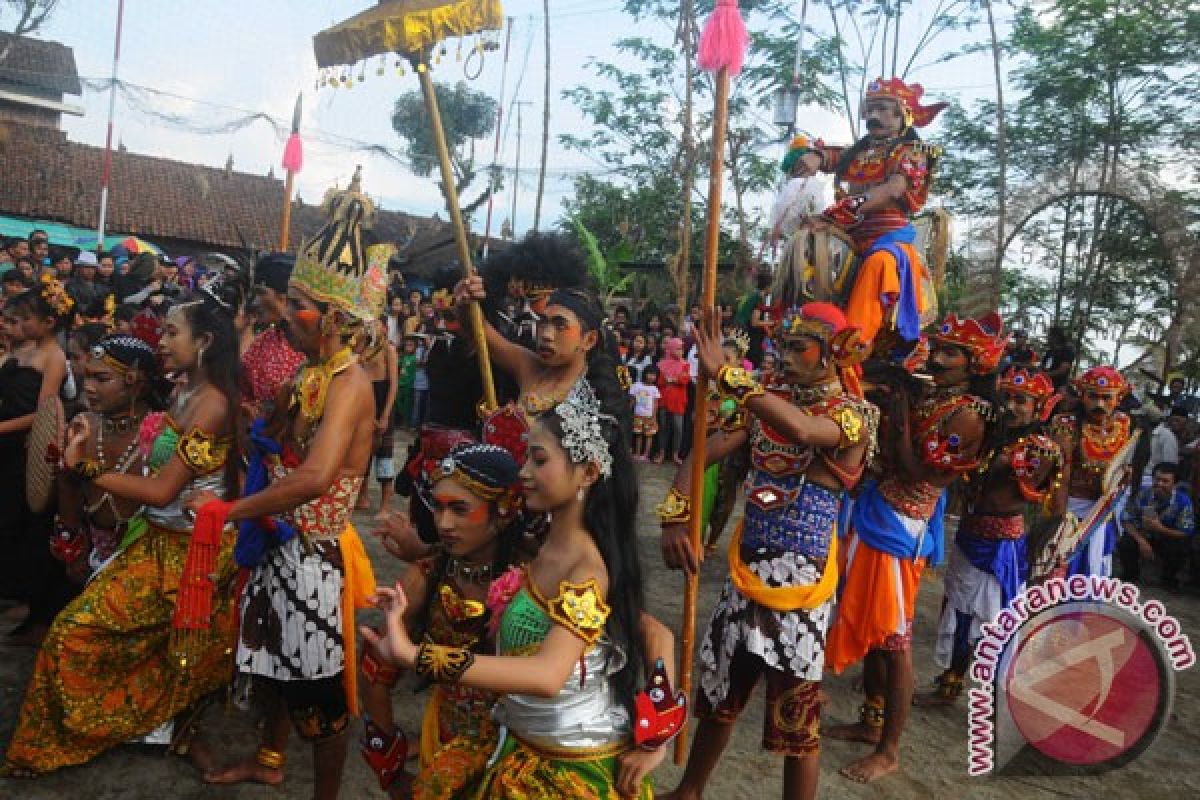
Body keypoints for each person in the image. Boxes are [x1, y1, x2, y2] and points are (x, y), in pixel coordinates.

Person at [364, 378, 667, 799]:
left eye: (538, 460)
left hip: (568, 773)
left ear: (589, 472)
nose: (523, 472)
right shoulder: (541, 550)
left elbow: (547, 675)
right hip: (517, 749)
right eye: (525, 457)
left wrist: (657, 737)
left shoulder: (585, 570)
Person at [4, 285, 242, 776]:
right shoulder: (186, 390)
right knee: (96, 635)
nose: (161, 339)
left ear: (205, 342)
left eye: (173, 332)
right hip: (155, 540)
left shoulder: (211, 403)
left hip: (186, 552)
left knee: (78, 633)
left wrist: (83, 468)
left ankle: (118, 731)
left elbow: (159, 492)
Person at [194, 173, 380, 800]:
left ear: (329, 317)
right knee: (273, 668)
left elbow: (316, 478)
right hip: (278, 545)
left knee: (318, 696)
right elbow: (275, 435)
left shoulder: (353, 385)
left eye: (298, 305)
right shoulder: (310, 374)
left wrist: (231, 508)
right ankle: (269, 760)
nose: (287, 315)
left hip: (312, 557)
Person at [660, 304, 878, 800]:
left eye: (799, 347)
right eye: (782, 345)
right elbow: (699, 453)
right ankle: (690, 791)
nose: (786, 356)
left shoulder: (852, 415)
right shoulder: (767, 404)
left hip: (801, 584)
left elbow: (803, 431)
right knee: (720, 691)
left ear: (833, 354)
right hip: (747, 571)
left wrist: (730, 375)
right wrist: (676, 515)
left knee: (797, 715)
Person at [824, 312, 1004, 784]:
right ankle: (871, 719)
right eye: (937, 349)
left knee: (895, 639)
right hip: (876, 511)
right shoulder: (934, 398)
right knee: (874, 626)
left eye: (950, 353)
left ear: (975, 363)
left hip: (901, 526)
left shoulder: (968, 414)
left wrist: (899, 412)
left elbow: (917, 473)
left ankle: (889, 750)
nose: (938, 360)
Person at [358, 443, 525, 794]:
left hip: (523, 752)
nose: (444, 524)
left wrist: (655, 734)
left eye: (460, 510)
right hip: (446, 742)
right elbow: (375, 670)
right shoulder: (426, 576)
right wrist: (389, 767)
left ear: (505, 511)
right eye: (438, 507)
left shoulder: (539, 575)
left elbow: (645, 630)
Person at [921, 367, 1064, 705]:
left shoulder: (1040, 449)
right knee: (959, 611)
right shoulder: (992, 437)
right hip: (970, 536)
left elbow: (1027, 482)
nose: (1012, 406)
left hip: (1000, 546)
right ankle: (950, 684)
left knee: (990, 622)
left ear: (1038, 409)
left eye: (1022, 401)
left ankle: (994, 699)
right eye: (1008, 398)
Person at [791, 78, 946, 350]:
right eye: (870, 110)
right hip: (849, 233)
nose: (873, 116)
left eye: (883, 109)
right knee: (804, 245)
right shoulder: (859, 152)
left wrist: (853, 205)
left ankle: (854, 342)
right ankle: (796, 330)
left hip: (889, 238)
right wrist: (815, 156)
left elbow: (894, 188)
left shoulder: (913, 153)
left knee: (879, 263)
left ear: (904, 114)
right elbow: (832, 156)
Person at [0, 277, 72, 645]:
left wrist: (3, 427)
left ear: (49, 323)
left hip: (22, 447)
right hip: (4, 441)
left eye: (29, 318)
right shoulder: (17, 350)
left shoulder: (53, 356)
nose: (21, 324)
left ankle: (28, 601)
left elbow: (45, 412)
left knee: (22, 519)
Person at [1048, 365, 1135, 577]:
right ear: (1082, 395)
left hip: (1104, 512)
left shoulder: (1123, 423)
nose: (1099, 404)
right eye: (1093, 397)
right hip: (1072, 512)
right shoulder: (1066, 425)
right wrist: (1058, 523)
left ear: (1119, 398)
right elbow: (1061, 474)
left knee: (1096, 573)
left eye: (1107, 398)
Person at [239, 252, 306, 421]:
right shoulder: (263, 340)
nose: (254, 302)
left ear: (283, 299)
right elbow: (241, 387)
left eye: (261, 292)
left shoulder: (311, 346)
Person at [1117, 462, 1195, 589]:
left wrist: (1160, 529)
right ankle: (1130, 575)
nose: (1159, 484)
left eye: (1165, 481)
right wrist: (1142, 541)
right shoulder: (1141, 493)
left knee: (1180, 547)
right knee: (1126, 542)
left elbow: (1186, 531)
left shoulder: (1183, 500)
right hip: (1143, 534)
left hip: (1167, 536)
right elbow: (1126, 520)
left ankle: (1169, 579)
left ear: (1174, 484)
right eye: (1157, 479)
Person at [363, 320, 399, 519]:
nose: (372, 327)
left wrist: (385, 414)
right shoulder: (361, 348)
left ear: (384, 327)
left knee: (384, 454)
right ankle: (362, 495)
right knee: (363, 451)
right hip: (366, 401)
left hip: (383, 399)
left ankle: (385, 505)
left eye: (376, 323)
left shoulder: (389, 349)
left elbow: (394, 385)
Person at [656, 336, 690, 464]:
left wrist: (672, 379)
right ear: (670, 349)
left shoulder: (685, 364)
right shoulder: (661, 363)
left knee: (678, 428)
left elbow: (684, 380)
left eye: (682, 349)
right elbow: (660, 381)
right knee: (663, 426)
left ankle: (676, 454)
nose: (681, 351)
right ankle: (662, 453)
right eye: (678, 349)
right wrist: (674, 379)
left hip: (678, 400)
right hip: (664, 398)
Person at [630, 363, 661, 461]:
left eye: (654, 375)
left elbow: (655, 404)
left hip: (649, 416)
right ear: (645, 374)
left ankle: (646, 455)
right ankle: (637, 453)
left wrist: (654, 417)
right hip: (638, 414)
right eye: (650, 374)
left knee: (648, 435)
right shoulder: (636, 386)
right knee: (638, 434)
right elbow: (632, 400)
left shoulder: (654, 389)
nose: (652, 377)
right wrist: (629, 412)